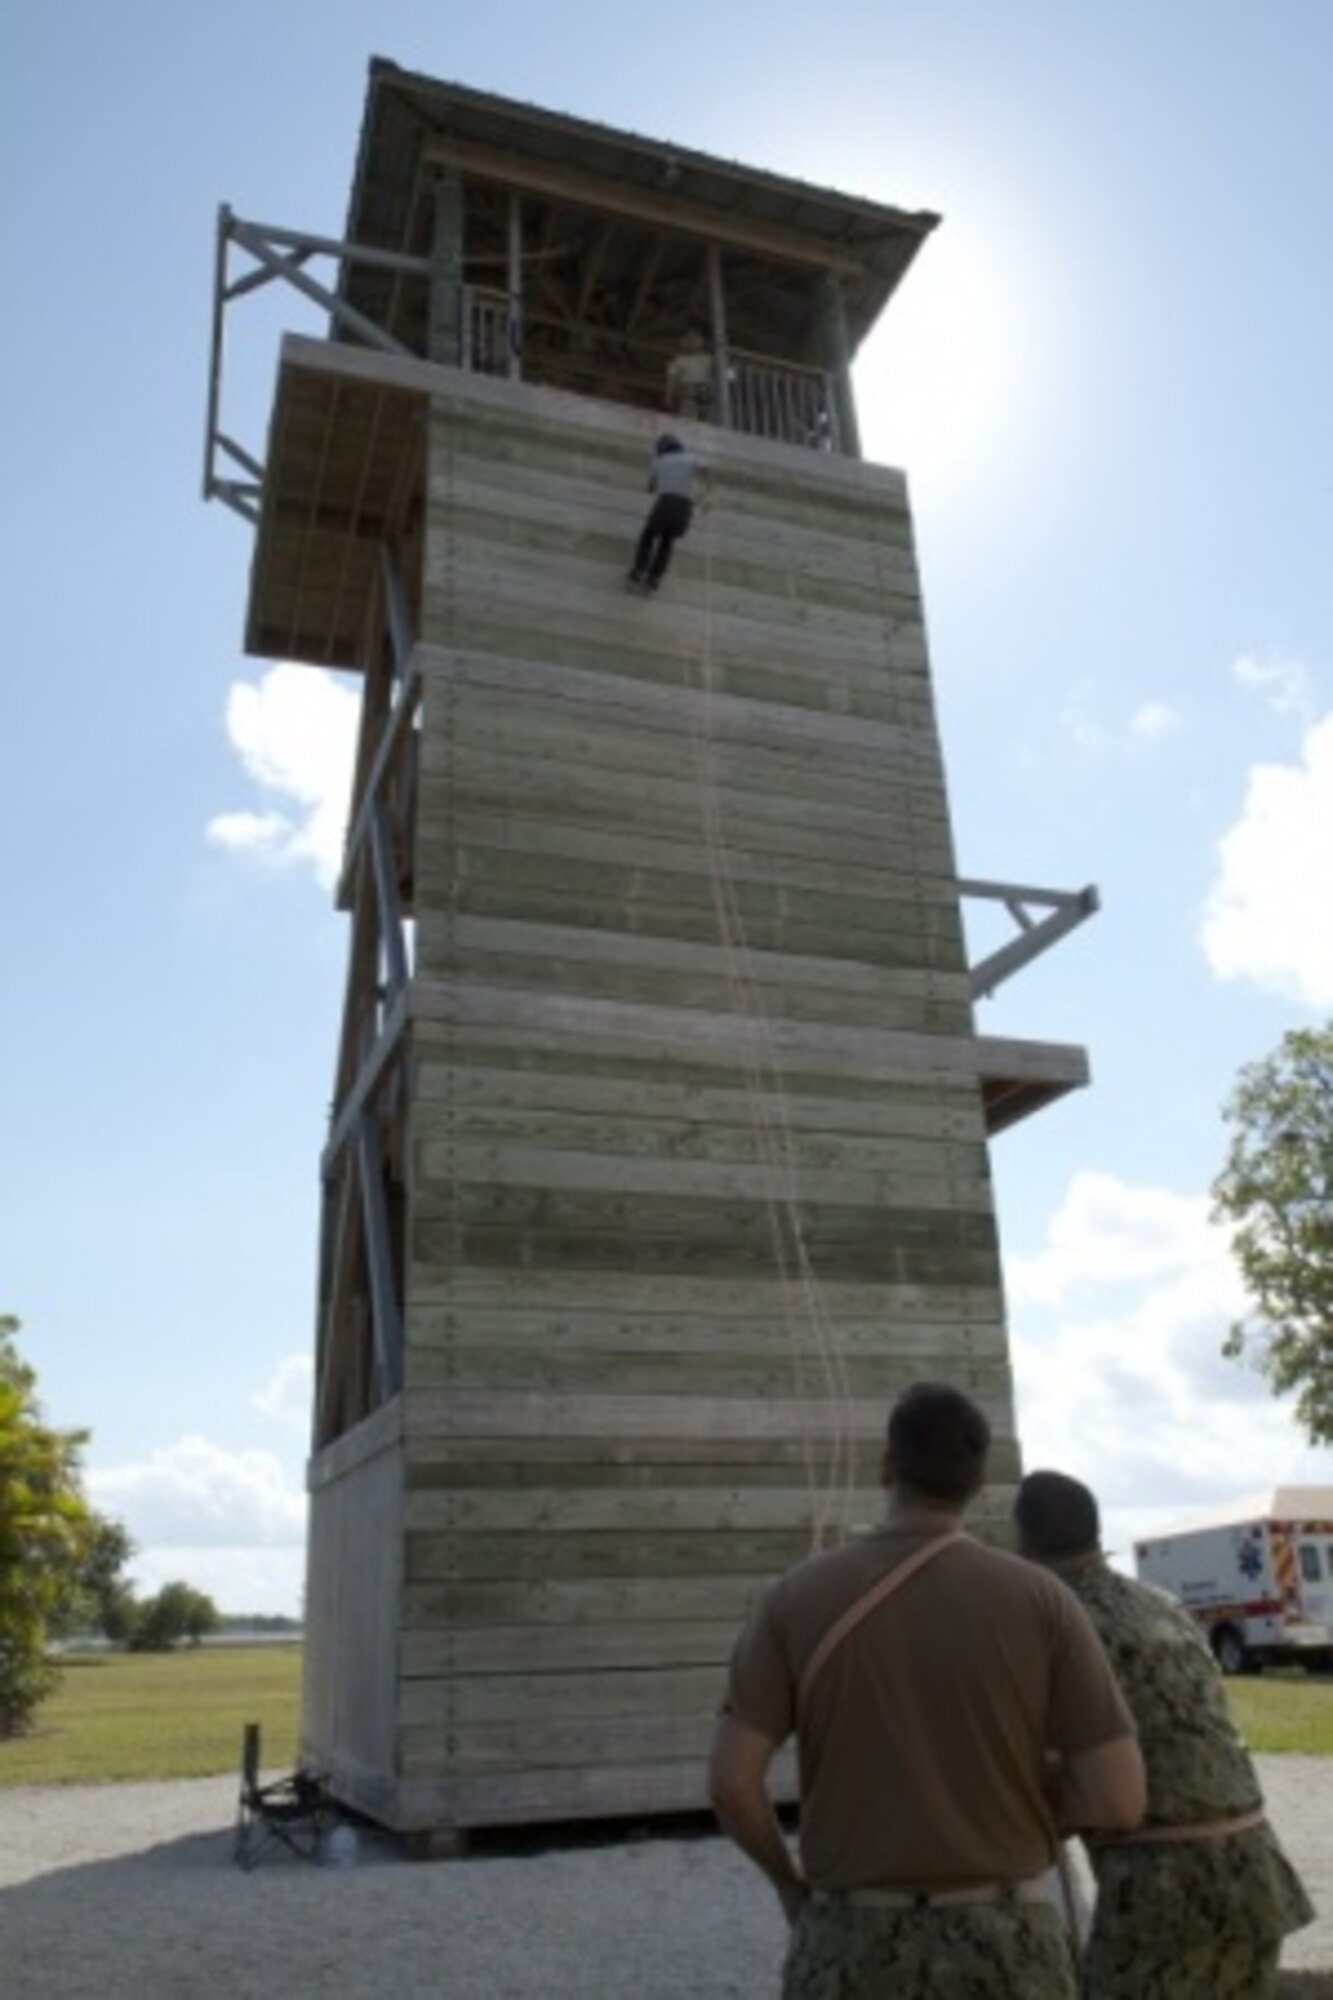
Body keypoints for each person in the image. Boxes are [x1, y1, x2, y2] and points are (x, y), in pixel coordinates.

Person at [708, 1384, 1146, 1999]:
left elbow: (731, 1784)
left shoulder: (793, 1598)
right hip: (1009, 1949)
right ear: (979, 1483)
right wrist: (1023, 1793)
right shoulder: (1046, 1602)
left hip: (850, 1943)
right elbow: (1119, 1800)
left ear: (888, 1467)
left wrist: (789, 1884)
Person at [1014, 1470, 1315, 1998]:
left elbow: (1048, 1768)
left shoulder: (1056, 1624)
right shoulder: (1161, 1605)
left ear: (1023, 1542)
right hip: (1254, 1871)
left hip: (1162, 1889)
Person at [628, 434, 702, 593]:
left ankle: (639, 571)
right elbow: (702, 477)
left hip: (666, 503)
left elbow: (650, 488)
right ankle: (653, 580)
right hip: (685, 508)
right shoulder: (691, 459)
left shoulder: (660, 461)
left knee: (648, 535)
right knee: (667, 541)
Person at [665, 326, 714, 420]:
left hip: (706, 391)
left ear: (702, 341)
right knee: (689, 415)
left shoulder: (709, 359)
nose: (691, 341)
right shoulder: (678, 361)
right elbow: (672, 380)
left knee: (708, 416)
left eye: (695, 337)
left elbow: (720, 374)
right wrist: (669, 396)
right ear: (681, 342)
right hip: (688, 391)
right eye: (687, 338)